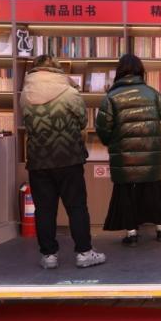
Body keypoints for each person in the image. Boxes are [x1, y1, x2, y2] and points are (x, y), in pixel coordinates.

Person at [20, 54, 106, 269]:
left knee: (44, 209)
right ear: (57, 69)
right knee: (76, 207)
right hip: (69, 158)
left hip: (38, 160)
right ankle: (84, 252)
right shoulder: (69, 92)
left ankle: (49, 255)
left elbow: (28, 123)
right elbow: (82, 120)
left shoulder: (25, 94)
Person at [95, 54, 161, 245]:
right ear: (140, 71)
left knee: (126, 194)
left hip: (124, 157)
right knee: (153, 191)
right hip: (150, 156)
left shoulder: (111, 97)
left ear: (119, 72)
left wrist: (110, 143)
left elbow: (103, 129)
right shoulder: (151, 93)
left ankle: (132, 234)